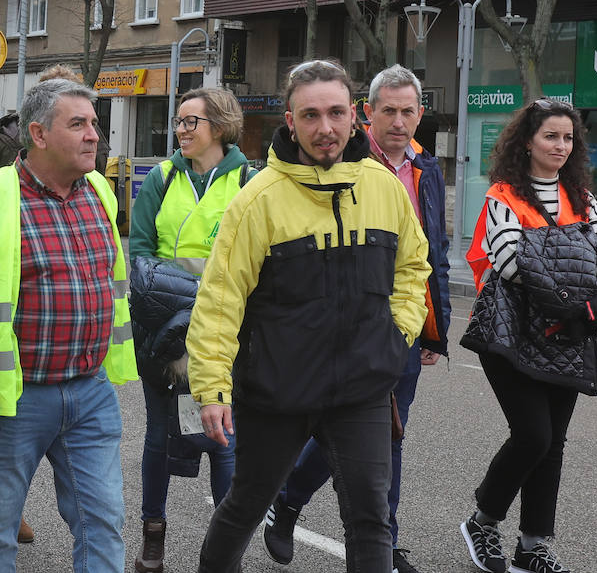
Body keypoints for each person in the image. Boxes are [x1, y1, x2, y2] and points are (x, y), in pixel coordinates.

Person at [187, 59, 431, 573]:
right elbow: (220, 297)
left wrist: (398, 334)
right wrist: (212, 388)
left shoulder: (384, 188)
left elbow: (414, 267)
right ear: (290, 121)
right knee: (247, 505)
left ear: (354, 116)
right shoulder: (259, 199)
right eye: (312, 115)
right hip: (279, 391)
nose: (326, 128)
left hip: (361, 387)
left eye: (336, 113)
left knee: (370, 518)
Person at [0, 78, 137, 572]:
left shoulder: (100, 193)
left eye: (95, 124)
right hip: (18, 400)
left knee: (103, 521)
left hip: (90, 391)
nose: (94, 135)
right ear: (39, 135)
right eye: (79, 124)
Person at [262, 65, 450, 573]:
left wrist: (434, 327)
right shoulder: (346, 158)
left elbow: (432, 251)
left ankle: (381, 543)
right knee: (337, 438)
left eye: (408, 110)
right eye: (387, 109)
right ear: (366, 113)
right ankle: (289, 502)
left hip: (398, 327)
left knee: (387, 438)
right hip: (340, 325)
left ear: (420, 114)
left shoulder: (424, 167)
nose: (398, 120)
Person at [458, 98, 597, 573]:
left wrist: (575, 296)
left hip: (567, 337)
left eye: (568, 137)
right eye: (551, 136)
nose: (561, 146)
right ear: (527, 141)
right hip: (509, 335)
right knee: (533, 436)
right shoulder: (503, 196)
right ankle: (482, 523)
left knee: (554, 443)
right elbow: (510, 266)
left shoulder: (583, 198)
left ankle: (532, 547)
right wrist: (575, 280)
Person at [128, 87, 254, 573]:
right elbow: (140, 254)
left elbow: (254, 260)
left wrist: (208, 302)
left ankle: (225, 551)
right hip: (162, 326)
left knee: (224, 434)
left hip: (224, 330)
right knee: (159, 434)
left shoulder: (247, 178)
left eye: (190, 122)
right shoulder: (161, 177)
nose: (180, 130)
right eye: (178, 122)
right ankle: (153, 539)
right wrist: (180, 301)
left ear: (218, 127)